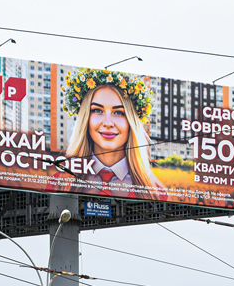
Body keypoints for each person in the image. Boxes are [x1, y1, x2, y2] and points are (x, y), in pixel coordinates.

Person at [60, 68, 168, 200]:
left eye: (118, 112)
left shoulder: (156, 190)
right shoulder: (60, 182)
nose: (108, 123)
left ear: (130, 121)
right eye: (97, 110)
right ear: (85, 117)